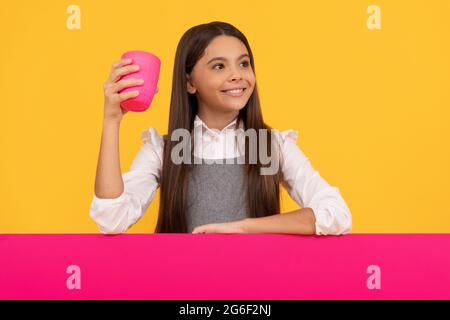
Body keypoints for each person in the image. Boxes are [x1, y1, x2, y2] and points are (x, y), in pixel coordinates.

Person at [89, 21, 352, 235]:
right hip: (185, 290)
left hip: (255, 290)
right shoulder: (166, 149)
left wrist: (244, 227)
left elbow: (335, 213)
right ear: (190, 82)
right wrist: (111, 122)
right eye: (219, 66)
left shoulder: (270, 146)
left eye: (244, 63)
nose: (237, 74)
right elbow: (112, 219)